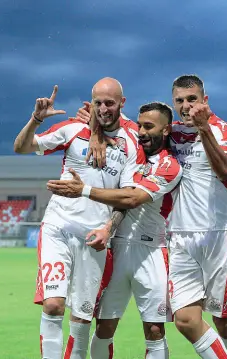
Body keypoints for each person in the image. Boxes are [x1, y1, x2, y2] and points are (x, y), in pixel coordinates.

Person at [77, 74, 227, 359]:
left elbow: (225, 170)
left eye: (192, 99)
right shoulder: (173, 131)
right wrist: (94, 122)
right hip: (178, 238)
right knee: (185, 320)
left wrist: (204, 129)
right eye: (180, 100)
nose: (186, 106)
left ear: (205, 100)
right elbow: (137, 127)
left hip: (218, 235)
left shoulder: (223, 130)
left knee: (223, 320)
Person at [13, 78, 142, 359]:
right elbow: (22, 147)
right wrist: (35, 119)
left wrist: (109, 228)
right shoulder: (72, 128)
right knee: (54, 306)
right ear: (90, 102)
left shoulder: (131, 142)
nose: (103, 108)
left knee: (82, 319)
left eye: (110, 102)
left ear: (122, 102)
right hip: (58, 227)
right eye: (98, 103)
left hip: (95, 237)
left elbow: (127, 196)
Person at [47, 102, 183, 359]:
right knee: (104, 327)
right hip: (115, 249)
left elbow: (130, 199)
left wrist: (84, 190)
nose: (141, 131)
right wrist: (95, 124)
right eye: (140, 125)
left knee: (155, 330)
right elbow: (111, 119)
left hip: (151, 251)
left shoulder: (170, 165)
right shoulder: (128, 150)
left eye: (149, 126)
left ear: (166, 131)